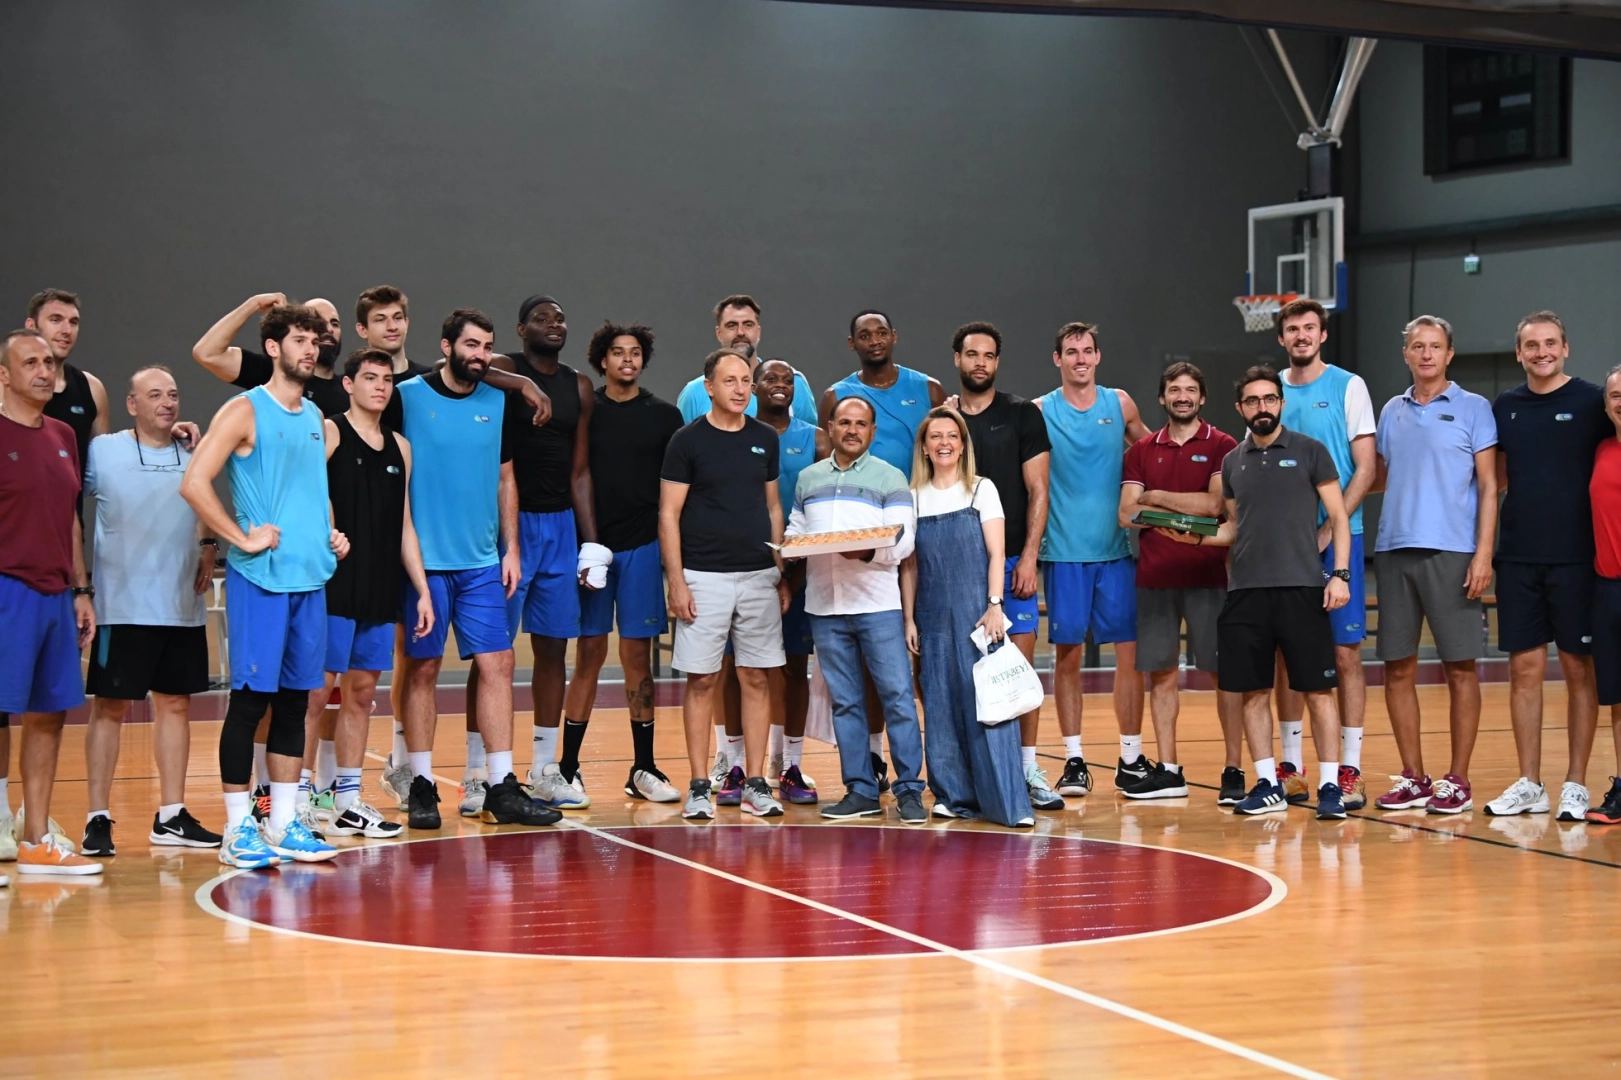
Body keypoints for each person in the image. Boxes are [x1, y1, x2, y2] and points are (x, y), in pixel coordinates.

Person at [179, 303, 346, 868]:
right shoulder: (244, 409)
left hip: (310, 580)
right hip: (263, 581)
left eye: (315, 341)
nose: (310, 349)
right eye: (299, 339)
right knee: (251, 704)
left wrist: (330, 533)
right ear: (273, 348)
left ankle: (282, 824)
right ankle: (236, 830)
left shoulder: (315, 416)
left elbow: (313, 491)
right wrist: (239, 539)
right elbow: (194, 482)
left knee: (296, 704)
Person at [390, 309, 562, 830]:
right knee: (423, 669)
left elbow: (506, 479)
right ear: (446, 347)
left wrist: (511, 549)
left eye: (487, 346)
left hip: (482, 563)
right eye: (471, 345)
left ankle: (501, 784)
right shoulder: (408, 396)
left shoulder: (496, 401)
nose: (480, 355)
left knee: (499, 664)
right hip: (424, 564)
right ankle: (421, 784)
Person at [1161, 365, 1349, 820]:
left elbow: (1339, 517)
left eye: (1269, 399)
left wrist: (1340, 574)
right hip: (1246, 592)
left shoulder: (1310, 451)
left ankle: (1330, 787)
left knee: (1318, 692)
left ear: (1280, 403)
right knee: (1253, 692)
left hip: (1302, 588)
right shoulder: (1232, 462)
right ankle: (1267, 783)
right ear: (1240, 408)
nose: (1261, 407)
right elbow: (1233, 528)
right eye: (1252, 401)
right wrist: (1194, 537)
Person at [80, 366, 222, 857]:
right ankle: (97, 817)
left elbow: (206, 504)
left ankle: (171, 815)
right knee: (110, 707)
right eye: (155, 395)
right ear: (132, 404)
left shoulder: (194, 450)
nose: (167, 402)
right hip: (121, 606)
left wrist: (208, 543)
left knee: (176, 705)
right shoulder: (104, 452)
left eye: (173, 394)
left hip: (180, 603)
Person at [300, 348, 436, 839]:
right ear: (349, 384)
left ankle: (347, 800)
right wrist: (329, 530)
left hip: (380, 586)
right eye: (370, 378)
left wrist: (421, 589)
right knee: (316, 692)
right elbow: (307, 492)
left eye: (386, 380)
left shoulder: (401, 447)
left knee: (360, 693)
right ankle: (297, 800)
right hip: (334, 583)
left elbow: (405, 524)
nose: (380, 387)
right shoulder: (331, 431)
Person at [1370, 317, 1498, 815]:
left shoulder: (1474, 408)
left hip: (1453, 552)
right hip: (1394, 550)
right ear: (1405, 354)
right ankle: (1414, 777)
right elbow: (1382, 475)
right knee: (1397, 668)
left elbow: (1489, 485)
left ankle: (1457, 780)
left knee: (1460, 668)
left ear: (1449, 354)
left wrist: (1483, 553)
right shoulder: (1391, 410)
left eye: (1435, 346)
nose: (1426, 354)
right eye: (1417, 346)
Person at [659, 348, 790, 820]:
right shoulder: (686, 441)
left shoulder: (764, 438)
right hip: (703, 577)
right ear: (709, 387)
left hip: (758, 576)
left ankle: (755, 783)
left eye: (745, 381)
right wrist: (677, 581)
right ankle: (699, 785)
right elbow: (668, 514)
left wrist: (779, 570)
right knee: (703, 680)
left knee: (756, 677)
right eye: (729, 380)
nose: (740, 389)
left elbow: (773, 507)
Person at [1487, 311, 1607, 822]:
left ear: (1566, 348)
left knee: (1579, 670)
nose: (1542, 352)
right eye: (1532, 345)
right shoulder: (1505, 407)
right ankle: (1530, 783)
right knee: (1524, 670)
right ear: (1519, 353)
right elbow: (1494, 480)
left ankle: (1576, 783)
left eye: (1551, 343)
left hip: (1579, 560)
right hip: (1518, 558)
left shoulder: (1593, 402)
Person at [486, 295, 604, 812]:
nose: (553, 324)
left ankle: (544, 767)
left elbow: (580, 471)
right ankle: (481, 771)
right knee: (493, 652)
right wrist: (523, 384)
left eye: (559, 318)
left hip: (559, 527)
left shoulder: (579, 385)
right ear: (521, 329)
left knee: (554, 649)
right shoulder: (504, 366)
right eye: (541, 318)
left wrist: (591, 542)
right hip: (509, 524)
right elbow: (470, 367)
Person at [560, 321, 685, 804]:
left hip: (642, 548)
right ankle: (568, 768)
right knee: (589, 654)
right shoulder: (586, 411)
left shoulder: (665, 416)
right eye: (617, 352)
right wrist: (584, 543)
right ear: (602, 360)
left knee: (637, 658)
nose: (627, 359)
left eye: (635, 352)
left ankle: (643, 767)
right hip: (593, 549)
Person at [785, 397, 925, 823]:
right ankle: (860, 790)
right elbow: (796, 527)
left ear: (872, 431)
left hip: (877, 605)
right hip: (824, 607)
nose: (852, 430)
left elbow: (904, 540)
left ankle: (909, 790)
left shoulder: (890, 476)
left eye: (860, 424)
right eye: (844, 422)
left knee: (897, 698)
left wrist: (867, 552)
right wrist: (790, 547)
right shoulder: (808, 478)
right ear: (829, 427)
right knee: (845, 703)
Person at [1117, 362, 1244, 803]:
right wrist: (1177, 511)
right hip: (1155, 578)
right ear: (1162, 397)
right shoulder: (1141, 450)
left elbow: (1214, 506)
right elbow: (1126, 513)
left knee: (1223, 675)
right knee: (1162, 675)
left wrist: (1155, 498)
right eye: (1175, 390)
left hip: (1210, 577)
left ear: (1202, 398)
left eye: (1191, 390)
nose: (1183, 397)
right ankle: (1169, 771)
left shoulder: (1223, 446)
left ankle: (1233, 769)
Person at [0, 328, 102, 877]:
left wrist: (80, 590)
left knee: (49, 715)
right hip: (6, 589)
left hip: (56, 594)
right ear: (4, 375)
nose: (44, 371)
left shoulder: (63, 434)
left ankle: (36, 840)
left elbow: (70, 520)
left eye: (48, 362)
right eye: (30, 363)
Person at [902, 407, 1031, 826]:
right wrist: (909, 619)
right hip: (932, 616)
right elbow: (910, 566)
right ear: (924, 447)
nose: (944, 443)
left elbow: (997, 553)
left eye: (952, 436)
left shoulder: (981, 489)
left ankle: (1006, 801)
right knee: (939, 703)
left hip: (978, 615)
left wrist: (995, 604)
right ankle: (951, 795)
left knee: (991, 704)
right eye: (935, 436)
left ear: (962, 445)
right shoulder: (913, 496)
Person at [951, 322, 1060, 811]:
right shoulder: (945, 421)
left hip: (1014, 560)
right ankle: (967, 777)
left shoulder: (1022, 415)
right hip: (958, 566)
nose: (980, 362)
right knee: (959, 672)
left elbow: (1039, 490)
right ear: (957, 359)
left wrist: (1030, 557)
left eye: (989, 355)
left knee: (1018, 668)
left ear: (997, 362)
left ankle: (1026, 769)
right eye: (972, 354)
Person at [1037, 321, 1149, 797]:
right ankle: (1074, 760)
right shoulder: (1040, 410)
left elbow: (1153, 455)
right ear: (1057, 359)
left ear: (1098, 356)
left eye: (1087, 350)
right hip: (1063, 552)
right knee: (1068, 657)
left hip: (1115, 552)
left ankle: (1131, 758)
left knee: (1131, 655)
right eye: (1071, 351)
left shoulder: (1119, 404)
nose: (1080, 358)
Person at [1274, 299, 1377, 809]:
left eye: (1309, 327)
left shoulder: (1348, 386)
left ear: (1322, 335)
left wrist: (1328, 528)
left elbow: (1366, 469)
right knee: (1286, 655)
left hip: (1338, 540)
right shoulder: (1270, 390)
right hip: (1281, 545)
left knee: (1344, 653)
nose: (1301, 335)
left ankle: (1350, 769)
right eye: (1293, 329)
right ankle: (1291, 768)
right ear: (1282, 338)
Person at [755, 358, 828, 804]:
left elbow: (820, 513)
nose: (780, 386)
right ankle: (735, 761)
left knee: (795, 667)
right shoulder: (740, 433)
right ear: (755, 386)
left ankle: (790, 764)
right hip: (748, 569)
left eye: (788, 380)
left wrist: (793, 576)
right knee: (744, 670)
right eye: (771, 379)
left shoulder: (815, 439)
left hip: (800, 571)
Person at [821, 310, 944, 478]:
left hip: (921, 492)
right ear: (852, 343)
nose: (875, 341)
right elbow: (827, 465)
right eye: (864, 336)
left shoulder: (930, 389)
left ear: (894, 336)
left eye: (882, 333)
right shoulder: (835, 396)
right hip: (859, 492)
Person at [192, 292, 353, 418]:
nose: (329, 329)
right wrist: (254, 304)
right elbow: (207, 353)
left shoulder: (351, 389)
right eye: (319, 322)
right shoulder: (273, 372)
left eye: (335, 324)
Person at [676, 295, 816, 425]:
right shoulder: (693, 393)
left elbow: (809, 437)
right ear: (719, 333)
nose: (740, 332)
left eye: (748, 324)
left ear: (758, 332)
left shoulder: (792, 383)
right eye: (731, 325)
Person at [1584, 365, 1621, 825]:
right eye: (1615, 394)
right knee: (1616, 697)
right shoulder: (1602, 450)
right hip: (1608, 588)